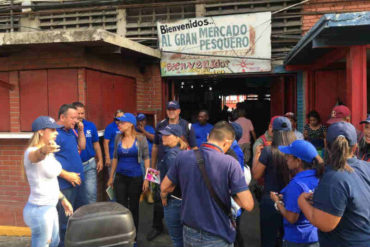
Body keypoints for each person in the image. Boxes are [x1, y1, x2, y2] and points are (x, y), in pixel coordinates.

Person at [161, 122, 254, 247]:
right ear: (227, 142)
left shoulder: (182, 156)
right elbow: (248, 205)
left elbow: (164, 187)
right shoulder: (230, 164)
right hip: (217, 233)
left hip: (189, 231)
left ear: (209, 136)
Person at [298, 122, 370, 247]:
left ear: (326, 144)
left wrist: (302, 201)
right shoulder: (366, 167)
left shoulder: (334, 177)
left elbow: (325, 224)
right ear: (355, 147)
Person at [147, 100, 197, 241]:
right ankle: (157, 226)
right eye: (169, 109)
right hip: (161, 166)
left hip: (178, 168)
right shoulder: (161, 124)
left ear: (179, 111)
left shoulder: (186, 126)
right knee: (157, 196)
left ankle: (179, 227)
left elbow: (194, 148)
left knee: (175, 197)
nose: (171, 111)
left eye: (174, 109)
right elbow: (156, 146)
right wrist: (152, 168)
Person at [23, 116, 74, 247]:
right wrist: (43, 150)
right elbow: (35, 157)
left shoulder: (50, 153)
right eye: (52, 130)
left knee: (55, 242)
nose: (56, 132)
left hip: (49, 208)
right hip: (39, 210)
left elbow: (50, 182)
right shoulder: (31, 152)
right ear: (40, 132)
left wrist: (63, 199)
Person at [252, 116, 296, 247]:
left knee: (268, 240)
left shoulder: (267, 151)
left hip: (270, 200)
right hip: (291, 199)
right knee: (288, 238)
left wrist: (256, 156)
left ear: (274, 132)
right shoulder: (295, 151)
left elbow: (256, 175)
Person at [107, 113, 149, 245]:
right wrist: (111, 176)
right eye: (118, 123)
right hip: (120, 177)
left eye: (122, 123)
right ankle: (122, 236)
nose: (119, 125)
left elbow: (146, 159)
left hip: (135, 177)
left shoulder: (141, 139)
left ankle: (134, 237)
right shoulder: (118, 137)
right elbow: (115, 158)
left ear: (131, 124)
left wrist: (147, 179)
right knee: (121, 207)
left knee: (134, 208)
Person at [271, 140, 322, 247]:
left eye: (288, 156)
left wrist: (277, 202)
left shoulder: (296, 184)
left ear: (298, 161)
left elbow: (291, 218)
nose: (286, 159)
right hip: (316, 236)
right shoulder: (319, 178)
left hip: (297, 239)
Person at [55, 104, 88, 247]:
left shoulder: (71, 131)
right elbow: (48, 162)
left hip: (78, 181)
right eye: (73, 118)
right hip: (65, 184)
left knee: (78, 215)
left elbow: (82, 147)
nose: (77, 120)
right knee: (64, 220)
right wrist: (66, 176)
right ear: (62, 117)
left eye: (77, 117)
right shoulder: (55, 134)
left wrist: (80, 131)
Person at [157, 124, 183, 247]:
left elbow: (172, 181)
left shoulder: (172, 155)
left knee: (177, 239)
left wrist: (163, 194)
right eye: (163, 134)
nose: (164, 137)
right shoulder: (178, 151)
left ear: (178, 138)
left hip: (173, 200)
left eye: (168, 135)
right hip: (180, 199)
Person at [72, 102, 103, 204]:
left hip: (89, 164)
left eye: (82, 113)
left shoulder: (90, 126)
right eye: (78, 113)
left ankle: (91, 218)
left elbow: (96, 143)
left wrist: (100, 160)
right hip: (75, 167)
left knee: (91, 194)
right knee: (77, 196)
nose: (81, 116)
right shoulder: (69, 128)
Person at [136, 113, 155, 203]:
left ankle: (150, 194)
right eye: (139, 121)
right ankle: (142, 193)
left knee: (151, 176)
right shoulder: (134, 130)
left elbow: (153, 139)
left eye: (143, 120)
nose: (141, 122)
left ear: (145, 121)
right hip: (139, 157)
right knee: (141, 176)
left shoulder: (149, 129)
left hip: (150, 156)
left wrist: (143, 131)